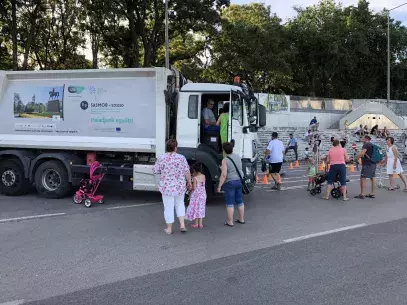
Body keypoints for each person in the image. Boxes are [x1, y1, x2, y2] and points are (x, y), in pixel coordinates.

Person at [153, 139, 192, 234]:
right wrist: (189, 182)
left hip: (167, 187)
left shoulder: (161, 158)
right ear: (175, 147)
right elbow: (187, 171)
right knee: (180, 204)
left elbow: (155, 170)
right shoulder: (181, 158)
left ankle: (169, 229)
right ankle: (182, 225)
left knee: (168, 207)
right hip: (179, 186)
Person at [217, 142, 245, 227]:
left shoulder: (225, 160)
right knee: (240, 201)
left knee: (230, 202)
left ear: (224, 151)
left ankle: (230, 221)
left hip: (230, 182)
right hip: (239, 181)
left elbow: (224, 174)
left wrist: (219, 186)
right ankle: (241, 219)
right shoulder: (238, 157)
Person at [185, 162, 207, 228]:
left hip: (196, 196)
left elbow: (194, 188)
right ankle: (200, 224)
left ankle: (196, 224)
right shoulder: (204, 176)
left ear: (194, 170)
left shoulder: (195, 178)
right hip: (203, 194)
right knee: (201, 208)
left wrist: (189, 191)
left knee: (196, 208)